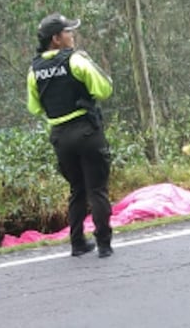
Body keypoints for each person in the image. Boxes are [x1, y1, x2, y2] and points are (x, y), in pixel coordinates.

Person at [27, 13, 114, 258]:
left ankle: (77, 242)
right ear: (56, 39)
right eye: (68, 32)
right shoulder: (75, 60)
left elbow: (34, 108)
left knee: (77, 189)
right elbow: (105, 89)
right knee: (96, 189)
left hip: (60, 137)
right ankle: (104, 244)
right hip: (86, 131)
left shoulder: (34, 70)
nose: (72, 35)